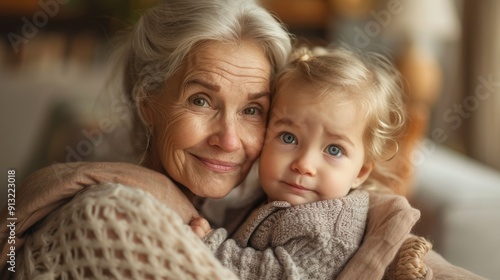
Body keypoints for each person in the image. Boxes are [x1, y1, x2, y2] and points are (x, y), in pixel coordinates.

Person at [0, 0, 486, 279]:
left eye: (253, 109)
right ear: (148, 100)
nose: (230, 139)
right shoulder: (111, 217)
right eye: (200, 101)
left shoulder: (255, 201)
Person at [188, 45, 405, 279]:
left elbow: (280, 274)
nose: (304, 165)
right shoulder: (267, 194)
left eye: (334, 150)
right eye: (288, 137)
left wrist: (213, 245)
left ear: (360, 172)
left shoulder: (328, 229)